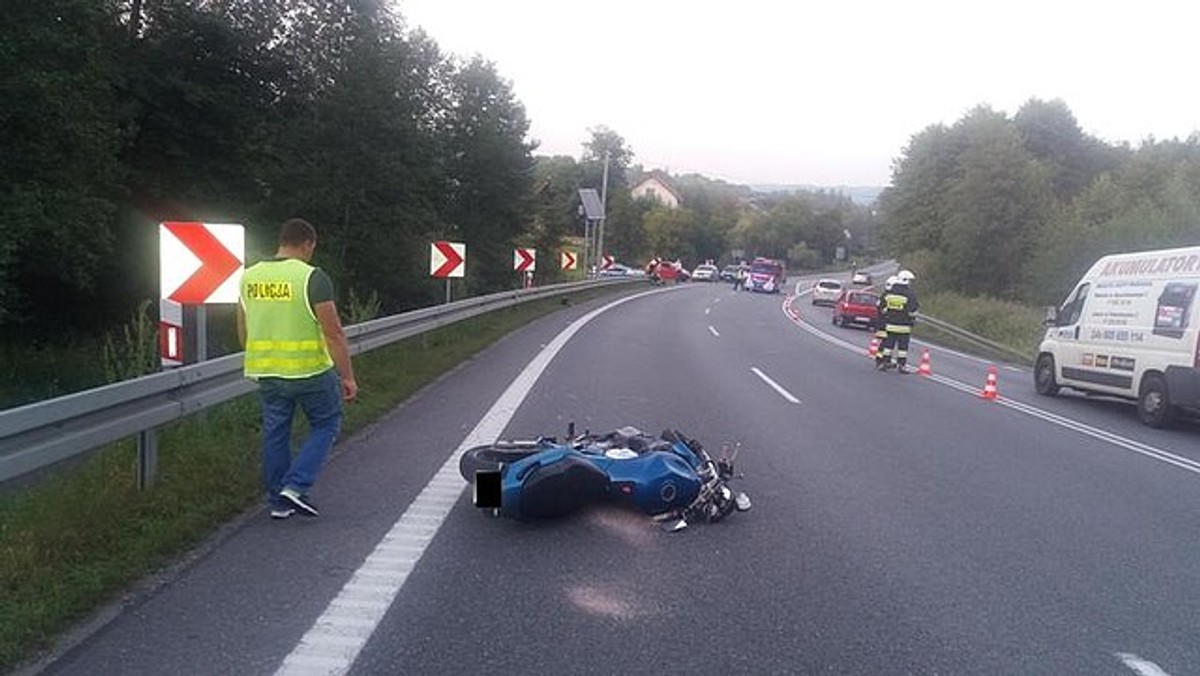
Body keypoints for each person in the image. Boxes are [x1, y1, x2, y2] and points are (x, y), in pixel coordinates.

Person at [237, 218, 358, 519]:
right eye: (311, 248)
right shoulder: (312, 278)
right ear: (307, 243)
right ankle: (296, 485)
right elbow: (333, 333)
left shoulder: (248, 277)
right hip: (310, 372)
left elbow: (243, 328)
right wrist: (348, 376)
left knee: (275, 433)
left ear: (282, 241)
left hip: (268, 372)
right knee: (327, 424)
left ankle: (278, 502)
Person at [876, 269, 919, 373]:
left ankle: (884, 363)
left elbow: (881, 306)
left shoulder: (889, 293)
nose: (910, 283)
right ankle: (902, 366)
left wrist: (888, 314)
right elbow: (913, 309)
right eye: (910, 281)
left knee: (888, 346)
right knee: (902, 349)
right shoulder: (910, 294)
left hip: (890, 325)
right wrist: (912, 318)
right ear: (906, 280)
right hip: (904, 327)